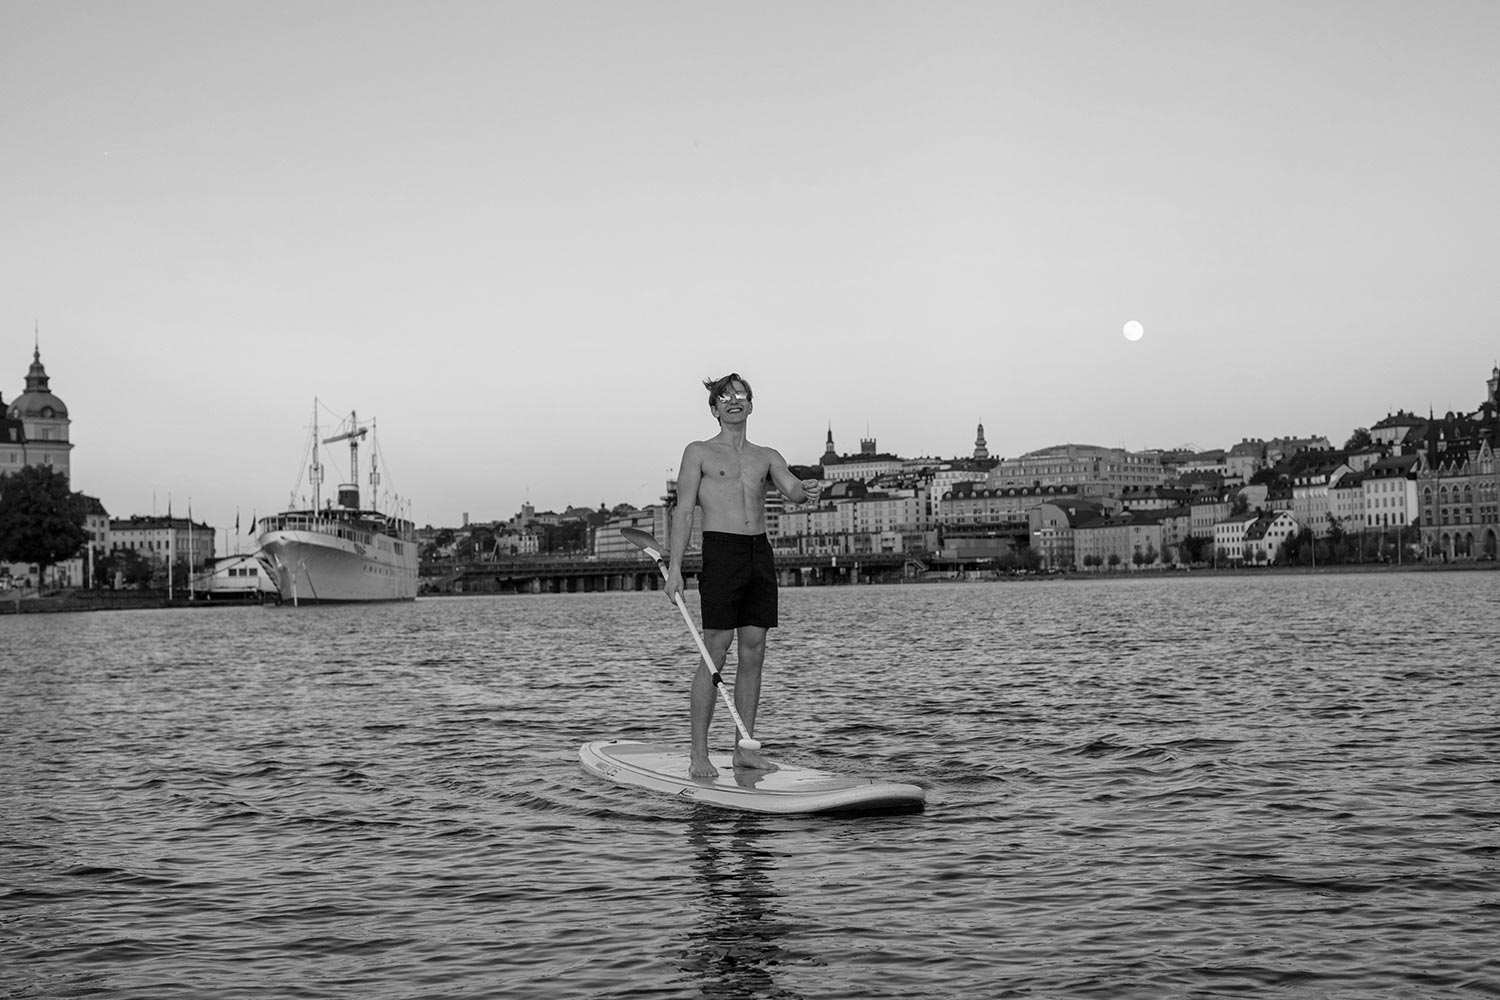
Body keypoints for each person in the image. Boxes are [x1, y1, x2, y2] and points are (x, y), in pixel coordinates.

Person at [665, 373, 821, 778]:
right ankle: (698, 754)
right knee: (715, 650)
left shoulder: (766, 455)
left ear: (751, 405)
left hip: (759, 554)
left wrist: (807, 490)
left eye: (740, 395)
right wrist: (676, 567)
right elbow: (683, 511)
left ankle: (744, 750)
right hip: (721, 551)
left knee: (754, 651)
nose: (734, 400)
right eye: (725, 396)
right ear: (715, 408)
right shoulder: (697, 452)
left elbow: (792, 489)